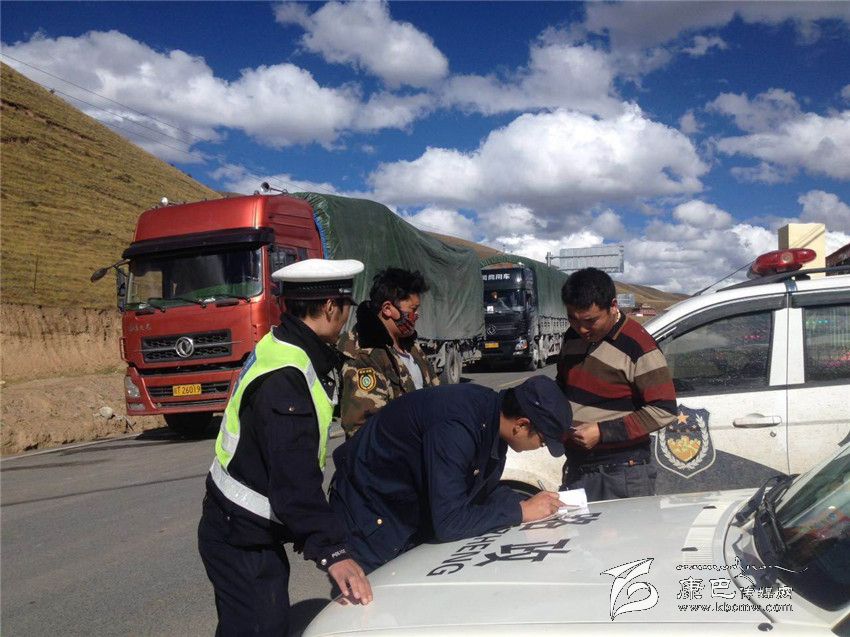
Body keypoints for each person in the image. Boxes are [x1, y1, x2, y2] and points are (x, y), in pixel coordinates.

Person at [197, 258, 373, 636]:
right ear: (331, 307)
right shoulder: (287, 378)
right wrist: (333, 552)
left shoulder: (283, 344)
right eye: (346, 306)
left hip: (240, 525)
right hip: (241, 535)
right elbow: (293, 477)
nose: (347, 317)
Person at [330, 376, 572, 573]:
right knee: (384, 607)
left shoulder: (492, 418)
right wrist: (520, 511)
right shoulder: (458, 426)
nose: (541, 447)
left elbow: (479, 491)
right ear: (521, 425)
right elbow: (449, 522)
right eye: (542, 441)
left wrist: (530, 504)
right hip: (370, 515)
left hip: (406, 507)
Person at [556, 267, 677, 501]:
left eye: (590, 321)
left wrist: (603, 432)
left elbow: (664, 410)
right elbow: (565, 386)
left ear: (613, 306)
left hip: (623, 472)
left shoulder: (638, 345)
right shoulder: (572, 337)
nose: (581, 329)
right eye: (573, 319)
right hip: (578, 467)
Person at [338, 267, 440, 437]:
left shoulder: (411, 346)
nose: (416, 315)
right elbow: (363, 430)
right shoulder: (364, 356)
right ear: (387, 309)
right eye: (412, 310)